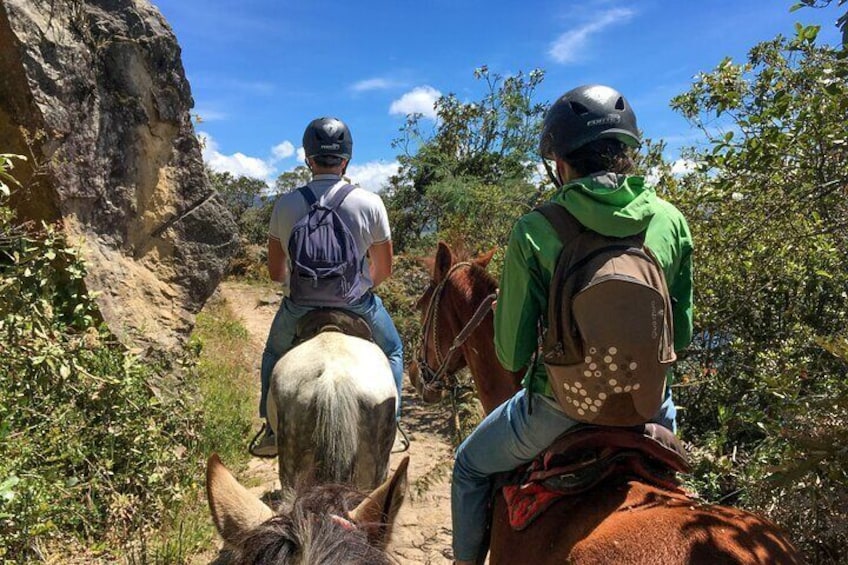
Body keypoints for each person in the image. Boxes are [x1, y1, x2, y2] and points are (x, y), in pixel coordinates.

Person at [450, 85, 694, 564]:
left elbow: (512, 355)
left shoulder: (536, 228)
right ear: (627, 152)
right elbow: (680, 336)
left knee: (468, 468)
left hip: (558, 406)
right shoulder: (670, 221)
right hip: (649, 406)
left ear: (559, 163)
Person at [250, 117, 405, 457]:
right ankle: (394, 423)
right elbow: (385, 269)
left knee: (274, 354)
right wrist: (361, 287)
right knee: (393, 351)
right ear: (346, 160)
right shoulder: (370, 203)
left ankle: (270, 429)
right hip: (356, 304)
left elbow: (276, 272)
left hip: (300, 306)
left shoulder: (286, 203)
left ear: (308, 158)